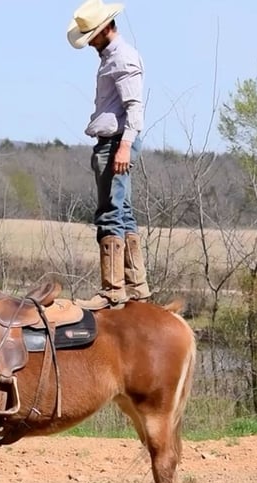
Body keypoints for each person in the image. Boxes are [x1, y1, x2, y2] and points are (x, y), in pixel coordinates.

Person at [67, 0, 151, 310]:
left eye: (91, 35)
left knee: (110, 212)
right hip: (114, 141)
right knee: (122, 210)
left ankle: (113, 290)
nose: (89, 42)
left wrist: (124, 146)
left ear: (105, 29)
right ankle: (136, 287)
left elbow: (134, 108)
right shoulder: (111, 57)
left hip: (116, 142)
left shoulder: (122, 58)